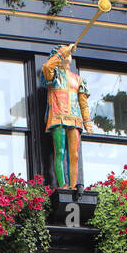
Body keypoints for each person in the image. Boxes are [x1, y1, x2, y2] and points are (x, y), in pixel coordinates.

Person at [41, 44, 91, 189]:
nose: (67, 56)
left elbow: (83, 103)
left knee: (74, 154)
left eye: (69, 54)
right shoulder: (53, 74)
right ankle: (62, 184)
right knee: (60, 151)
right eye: (63, 54)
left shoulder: (78, 79)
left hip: (75, 118)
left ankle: (73, 185)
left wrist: (87, 121)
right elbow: (46, 67)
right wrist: (63, 51)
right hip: (58, 116)